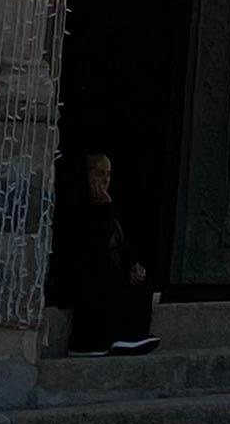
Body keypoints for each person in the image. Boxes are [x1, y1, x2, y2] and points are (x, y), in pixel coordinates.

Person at [49, 149, 158, 353]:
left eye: (108, 174)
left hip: (108, 273)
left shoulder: (109, 207)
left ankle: (131, 336)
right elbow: (90, 245)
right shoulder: (74, 207)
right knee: (102, 276)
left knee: (141, 283)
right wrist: (103, 210)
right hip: (78, 278)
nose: (105, 180)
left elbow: (119, 245)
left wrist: (133, 266)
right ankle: (89, 343)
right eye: (99, 174)